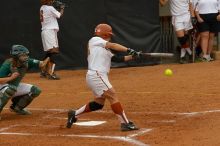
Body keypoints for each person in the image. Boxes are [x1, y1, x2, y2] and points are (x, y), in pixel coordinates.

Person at [66, 24, 140, 131]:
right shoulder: (95, 40)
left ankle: (74, 114)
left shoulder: (102, 48)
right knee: (113, 96)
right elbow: (113, 45)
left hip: (96, 76)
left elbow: (118, 59)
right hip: (97, 75)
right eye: (109, 35)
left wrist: (133, 56)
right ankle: (125, 123)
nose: (110, 37)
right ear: (104, 34)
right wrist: (129, 50)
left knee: (98, 103)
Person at [0, 45, 49, 120]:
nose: (26, 57)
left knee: (35, 91)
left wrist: (49, 59)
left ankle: (17, 108)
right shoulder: (7, 64)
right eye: (23, 55)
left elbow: (42, 64)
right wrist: (11, 78)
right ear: (16, 56)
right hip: (2, 86)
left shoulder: (27, 61)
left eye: (26, 55)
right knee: (10, 90)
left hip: (12, 86)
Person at [40, 0, 65, 80]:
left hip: (45, 31)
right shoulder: (50, 8)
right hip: (50, 31)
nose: (52, 1)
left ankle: (44, 71)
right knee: (54, 51)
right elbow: (59, 15)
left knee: (49, 52)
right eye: (51, 0)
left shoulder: (42, 7)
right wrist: (62, 8)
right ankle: (51, 73)